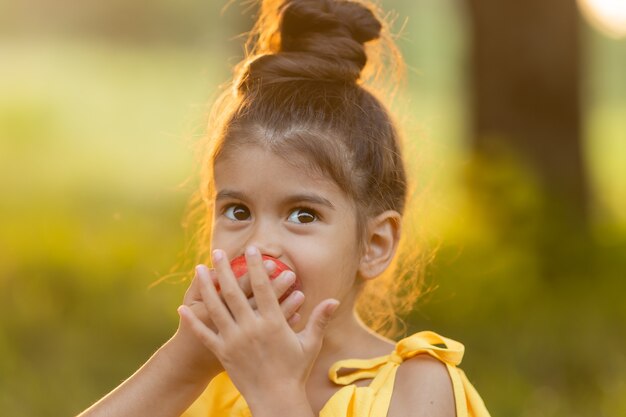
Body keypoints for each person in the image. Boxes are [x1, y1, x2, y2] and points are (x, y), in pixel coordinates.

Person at [78, 0, 491, 416]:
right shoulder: (206, 387)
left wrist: (275, 394)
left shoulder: (418, 386)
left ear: (374, 243)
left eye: (303, 215)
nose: (259, 247)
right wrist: (182, 366)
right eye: (238, 211)